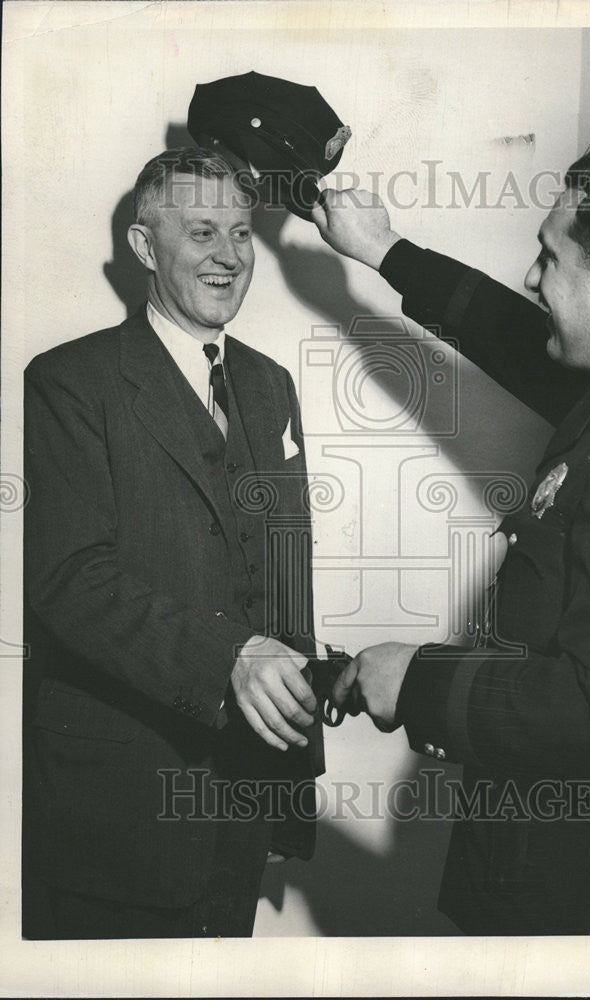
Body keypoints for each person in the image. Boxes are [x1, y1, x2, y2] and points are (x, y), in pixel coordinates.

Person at [312, 135, 590, 935]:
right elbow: (515, 335)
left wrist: (418, 681)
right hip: (570, 860)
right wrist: (380, 249)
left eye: (548, 258)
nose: (532, 279)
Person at [23, 147, 322, 939]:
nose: (228, 256)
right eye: (200, 232)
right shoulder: (67, 382)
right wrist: (228, 658)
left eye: (241, 232)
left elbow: (289, 581)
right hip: (119, 816)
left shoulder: (268, 385)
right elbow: (69, 581)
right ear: (145, 247)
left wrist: (292, 792)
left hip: (244, 803)